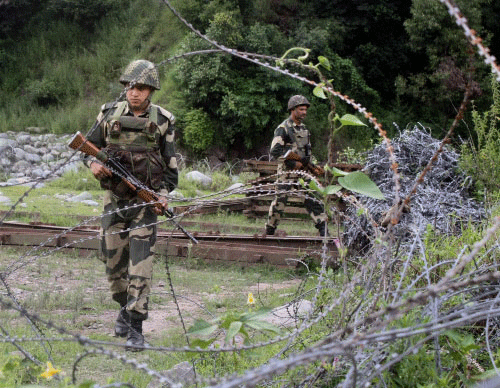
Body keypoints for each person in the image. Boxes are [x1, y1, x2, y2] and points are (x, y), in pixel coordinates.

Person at [83, 59, 178, 351]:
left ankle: (136, 328)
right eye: (129, 86)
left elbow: (171, 170)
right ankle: (123, 308)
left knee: (141, 267)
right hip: (115, 203)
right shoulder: (108, 113)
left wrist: (162, 195)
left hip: (145, 206)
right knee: (113, 270)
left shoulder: (163, 120)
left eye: (140, 87)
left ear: (151, 90)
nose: (134, 92)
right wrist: (92, 164)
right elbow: (87, 146)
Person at [265, 95, 328, 237]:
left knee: (312, 198)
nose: (304, 112)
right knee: (279, 202)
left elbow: (306, 153)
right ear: (293, 110)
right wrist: (293, 162)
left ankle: (324, 230)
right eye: (301, 109)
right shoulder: (283, 128)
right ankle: (269, 231)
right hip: (287, 173)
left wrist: (312, 167)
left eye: (305, 109)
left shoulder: (304, 129)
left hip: (302, 172)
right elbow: (275, 151)